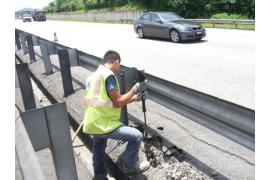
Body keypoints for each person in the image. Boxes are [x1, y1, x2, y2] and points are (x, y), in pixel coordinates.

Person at [83, 50, 150, 180]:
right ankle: (128, 164)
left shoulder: (93, 76)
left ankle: (100, 177)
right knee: (136, 136)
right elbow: (118, 102)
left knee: (98, 151)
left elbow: (109, 102)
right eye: (119, 65)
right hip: (103, 123)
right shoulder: (108, 76)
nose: (119, 69)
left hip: (92, 122)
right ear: (116, 61)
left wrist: (135, 98)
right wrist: (135, 89)